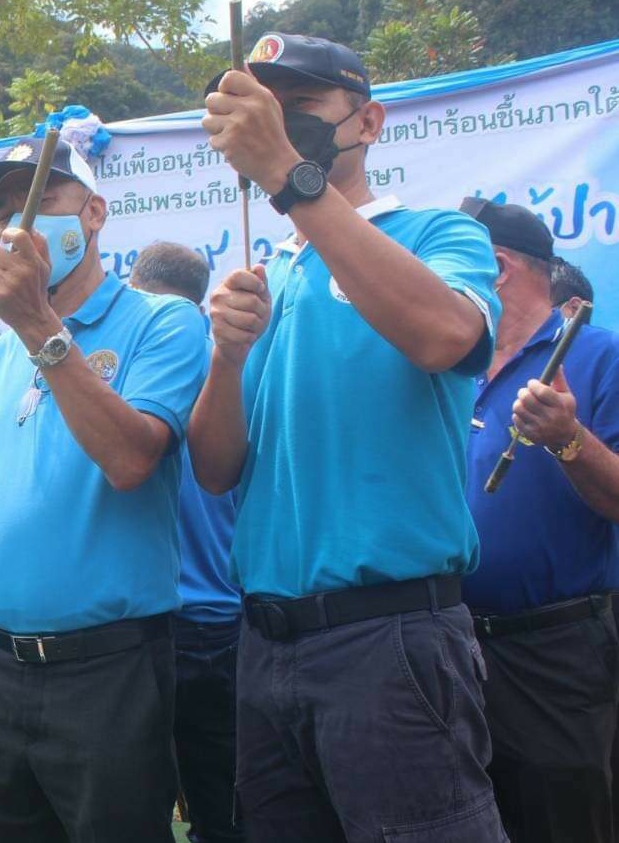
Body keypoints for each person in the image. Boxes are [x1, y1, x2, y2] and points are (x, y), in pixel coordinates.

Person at [190, 33, 507, 841]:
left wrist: (287, 175)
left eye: (300, 107)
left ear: (368, 122)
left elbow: (447, 335)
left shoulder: (435, 234)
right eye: (266, 110)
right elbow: (216, 468)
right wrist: (226, 357)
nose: (279, 124)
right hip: (265, 643)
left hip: (390, 639)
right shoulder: (268, 275)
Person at [0, 135, 208, 841]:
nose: (15, 224)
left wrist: (41, 326)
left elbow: (130, 461)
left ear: (94, 213)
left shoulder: (161, 321)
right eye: (1, 213)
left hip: (108, 668)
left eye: (40, 200)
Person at [458, 198, 619, 843]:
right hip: (449, 647)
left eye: (448, 265)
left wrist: (567, 438)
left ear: (497, 267)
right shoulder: (450, 364)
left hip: (554, 652)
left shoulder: (599, 354)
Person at [129, 242, 243, 843]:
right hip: (219, 618)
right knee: (221, 804)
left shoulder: (134, 361)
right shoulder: (228, 361)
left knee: (131, 804)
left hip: (158, 622)